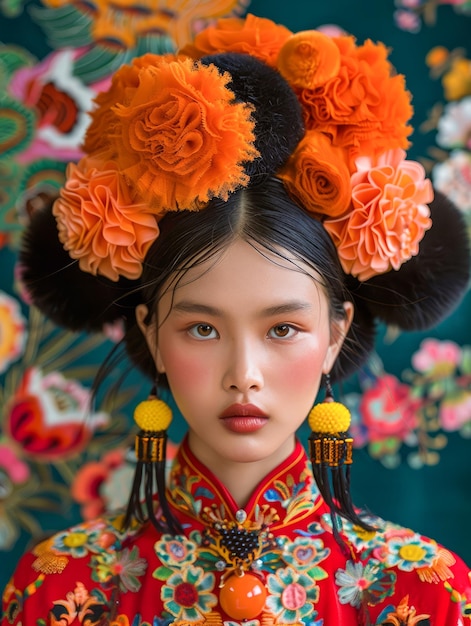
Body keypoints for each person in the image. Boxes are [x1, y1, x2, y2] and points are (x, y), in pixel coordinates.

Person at [2, 13, 471, 626]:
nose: (243, 374)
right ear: (150, 331)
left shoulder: (423, 593)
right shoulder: (63, 588)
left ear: (334, 333)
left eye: (282, 329)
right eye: (202, 328)